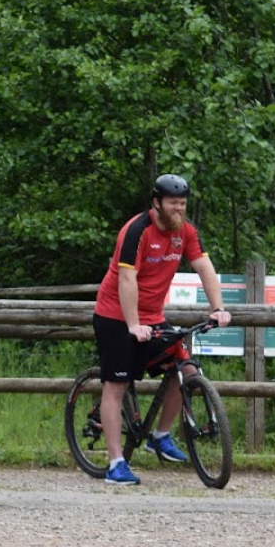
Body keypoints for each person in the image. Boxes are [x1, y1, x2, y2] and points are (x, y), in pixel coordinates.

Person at [92, 174, 231, 485]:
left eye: (182, 204)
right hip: (116, 314)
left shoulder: (186, 232)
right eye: (173, 203)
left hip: (153, 315)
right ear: (156, 202)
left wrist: (218, 308)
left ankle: (161, 434)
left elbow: (204, 267)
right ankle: (115, 463)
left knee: (187, 370)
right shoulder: (136, 230)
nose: (178, 209)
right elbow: (127, 280)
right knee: (116, 386)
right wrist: (132, 325)